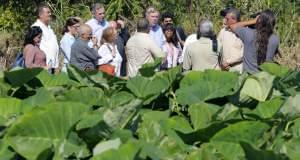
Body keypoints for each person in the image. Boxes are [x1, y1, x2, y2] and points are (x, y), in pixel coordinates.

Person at [229, 9, 280, 74]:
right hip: (266, 79)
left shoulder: (248, 33)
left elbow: (233, 26)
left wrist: (253, 21)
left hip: (248, 79)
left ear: (259, 20)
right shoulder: (275, 39)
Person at [32, 3, 59, 74]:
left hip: (51, 64)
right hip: (43, 65)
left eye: (50, 12)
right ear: (40, 15)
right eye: (48, 12)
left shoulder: (49, 28)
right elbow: (32, 46)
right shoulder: (36, 27)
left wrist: (56, 64)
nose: (50, 14)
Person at [218, 8, 243, 73]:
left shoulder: (244, 32)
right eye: (224, 17)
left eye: (226, 18)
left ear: (234, 19)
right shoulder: (223, 31)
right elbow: (218, 49)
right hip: (223, 69)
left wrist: (228, 62)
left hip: (237, 69)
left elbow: (243, 54)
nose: (224, 20)